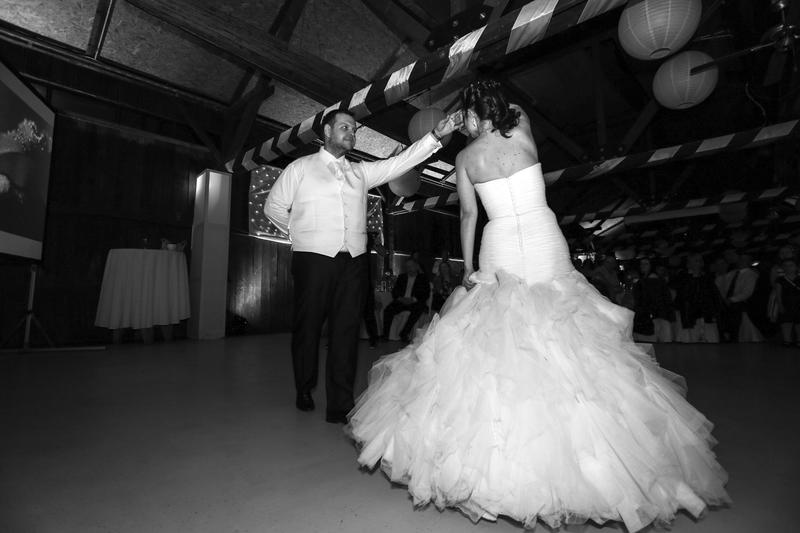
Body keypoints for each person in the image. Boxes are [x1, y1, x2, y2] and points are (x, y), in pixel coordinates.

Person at [347, 79, 729, 531]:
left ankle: (501, 463)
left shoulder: (466, 158)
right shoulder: (522, 128)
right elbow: (509, 108)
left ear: (472, 116)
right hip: (543, 236)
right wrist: (481, 103)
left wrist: (468, 268)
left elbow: (469, 215)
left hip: (500, 243)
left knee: (494, 331)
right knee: (563, 327)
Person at [264, 108, 460, 424]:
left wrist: (435, 136)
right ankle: (304, 386)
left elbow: (400, 162)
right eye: (345, 127)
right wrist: (300, 234)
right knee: (308, 327)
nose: (351, 133)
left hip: (354, 260)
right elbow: (273, 207)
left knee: (346, 331)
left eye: (354, 129)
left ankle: (340, 405)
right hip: (312, 259)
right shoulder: (300, 168)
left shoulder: (361, 172)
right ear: (327, 132)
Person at [380, 257, 430, 343]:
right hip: (401, 301)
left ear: (416, 266)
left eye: (411, 266)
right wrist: (400, 298)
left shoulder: (422, 278)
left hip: (414, 302)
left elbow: (425, 293)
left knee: (418, 309)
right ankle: (385, 335)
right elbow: (395, 291)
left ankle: (404, 333)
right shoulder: (402, 277)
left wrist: (413, 299)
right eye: (407, 267)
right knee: (388, 310)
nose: (409, 269)